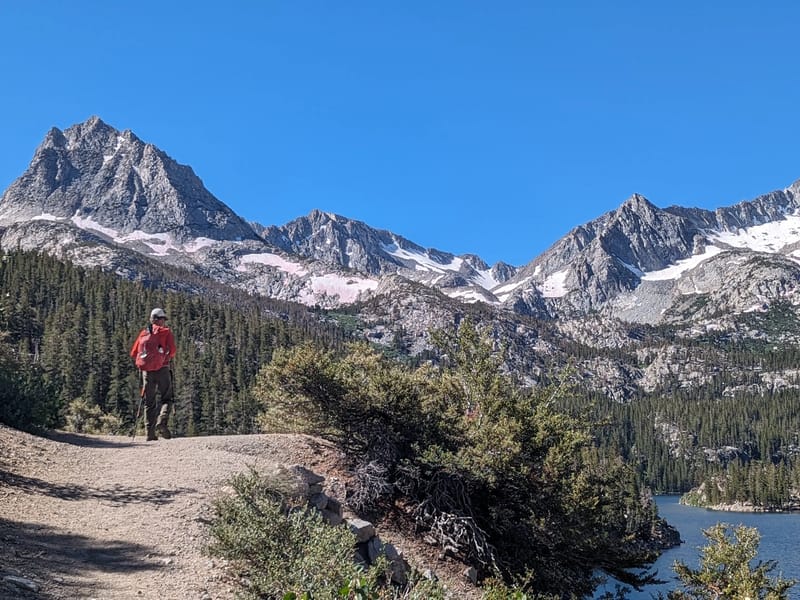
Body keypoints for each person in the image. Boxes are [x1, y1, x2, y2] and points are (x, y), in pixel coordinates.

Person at [129, 307, 176, 441]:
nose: (164, 322)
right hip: (163, 369)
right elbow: (172, 351)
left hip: (147, 372)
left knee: (149, 403)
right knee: (167, 398)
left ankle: (149, 433)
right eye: (163, 319)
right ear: (160, 320)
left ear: (151, 319)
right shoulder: (165, 332)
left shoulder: (143, 334)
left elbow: (133, 353)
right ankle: (162, 420)